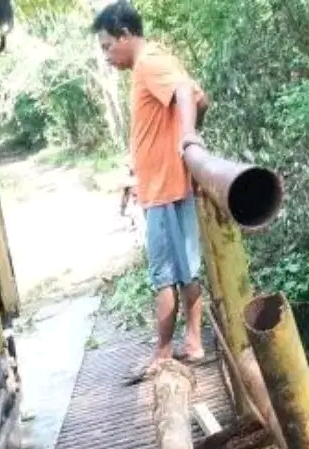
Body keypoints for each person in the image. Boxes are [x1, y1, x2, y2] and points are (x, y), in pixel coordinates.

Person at [92, 1, 208, 369]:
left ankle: (163, 352)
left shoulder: (149, 63)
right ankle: (190, 342)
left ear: (126, 35)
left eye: (108, 46)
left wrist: (187, 138)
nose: (107, 56)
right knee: (184, 270)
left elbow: (189, 95)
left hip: (165, 190)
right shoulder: (151, 63)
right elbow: (198, 96)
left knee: (165, 276)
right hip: (163, 184)